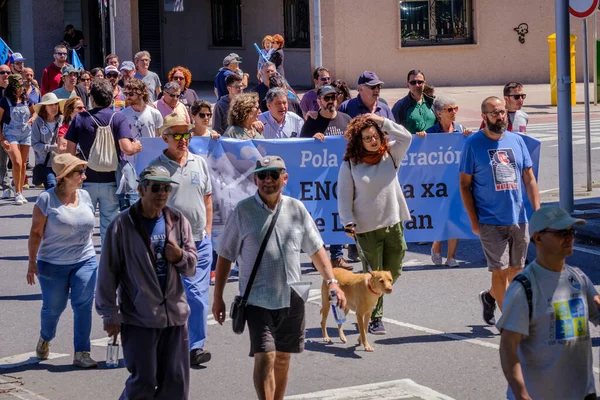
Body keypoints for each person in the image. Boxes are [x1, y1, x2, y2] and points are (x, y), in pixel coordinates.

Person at [212, 155, 346, 400]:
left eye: (274, 174)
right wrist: (218, 297)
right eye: (262, 175)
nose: (268, 180)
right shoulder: (243, 211)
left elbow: (316, 249)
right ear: (255, 179)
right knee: (266, 356)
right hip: (257, 298)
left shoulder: (297, 208)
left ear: (284, 178)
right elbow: (225, 256)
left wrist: (333, 282)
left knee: (283, 357)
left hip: (293, 294)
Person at [95, 165, 198, 399]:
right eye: (155, 188)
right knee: (143, 383)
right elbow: (107, 273)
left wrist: (180, 256)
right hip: (140, 317)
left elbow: (192, 267)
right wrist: (110, 315)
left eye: (166, 188)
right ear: (141, 190)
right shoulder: (122, 225)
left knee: (175, 383)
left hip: (175, 317)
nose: (162, 193)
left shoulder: (177, 220)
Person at [497, 206, 598, 400]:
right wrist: (521, 393)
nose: (569, 237)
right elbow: (508, 347)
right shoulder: (525, 287)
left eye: (571, 232)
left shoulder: (578, 278)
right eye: (561, 232)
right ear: (538, 238)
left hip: (584, 394)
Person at [459, 96, 540, 326]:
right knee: (500, 272)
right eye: (495, 113)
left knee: (516, 271)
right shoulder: (473, 144)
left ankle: (489, 297)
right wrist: (474, 220)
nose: (500, 116)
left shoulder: (516, 141)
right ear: (484, 116)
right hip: (489, 219)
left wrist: (539, 211)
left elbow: (529, 178)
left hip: (518, 217)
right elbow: (464, 185)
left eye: (503, 112)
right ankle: (511, 322)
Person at [338, 114, 412, 334]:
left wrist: (381, 121)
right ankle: (375, 317)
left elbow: (406, 137)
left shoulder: (390, 154)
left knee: (394, 269)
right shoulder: (351, 164)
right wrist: (347, 222)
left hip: (393, 223)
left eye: (375, 136)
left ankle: (369, 303)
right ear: (358, 142)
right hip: (366, 229)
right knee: (374, 275)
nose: (373, 141)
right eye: (367, 138)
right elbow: (343, 195)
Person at [149, 114, 214, 366]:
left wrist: (207, 231)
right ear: (164, 138)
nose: (182, 139)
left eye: (186, 134)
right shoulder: (157, 168)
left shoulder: (199, 162)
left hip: (199, 241)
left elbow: (207, 199)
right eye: (176, 135)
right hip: (169, 245)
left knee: (196, 296)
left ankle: (195, 347)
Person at [27, 153, 98, 368]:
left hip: (85, 259)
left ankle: (82, 352)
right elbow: (36, 233)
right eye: (79, 172)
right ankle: (45, 338)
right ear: (65, 176)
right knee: (53, 308)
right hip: (53, 264)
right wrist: (32, 262)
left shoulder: (84, 196)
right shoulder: (46, 200)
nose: (84, 177)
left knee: (83, 305)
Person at [65, 79, 142, 244]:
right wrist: (137, 146)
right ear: (111, 98)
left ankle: (84, 256)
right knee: (109, 224)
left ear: (92, 98)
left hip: (86, 180)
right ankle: (108, 260)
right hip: (111, 181)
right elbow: (126, 148)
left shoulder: (80, 119)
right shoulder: (118, 118)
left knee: (83, 223)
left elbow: (69, 153)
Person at [425, 95, 471, 267]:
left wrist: (468, 136)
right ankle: (436, 244)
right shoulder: (431, 133)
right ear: (439, 113)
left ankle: (451, 256)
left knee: (455, 217)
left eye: (455, 109)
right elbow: (421, 153)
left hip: (457, 182)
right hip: (437, 183)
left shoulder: (460, 130)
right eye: (449, 110)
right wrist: (421, 138)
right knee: (441, 217)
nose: (454, 113)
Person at [0, 74, 35, 205]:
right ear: (13, 86)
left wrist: (33, 118)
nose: (22, 87)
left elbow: (35, 112)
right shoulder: (5, 101)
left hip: (26, 133)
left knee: (24, 164)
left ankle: (20, 192)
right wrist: (2, 139)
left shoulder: (27, 99)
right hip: (10, 134)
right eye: (20, 85)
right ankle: (17, 192)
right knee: (17, 162)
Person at [31, 93, 65, 189]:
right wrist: (52, 147)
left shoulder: (62, 119)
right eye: (50, 105)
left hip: (62, 163)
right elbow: (35, 144)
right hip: (46, 164)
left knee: (63, 192)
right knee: (52, 188)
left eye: (56, 104)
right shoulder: (38, 122)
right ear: (44, 107)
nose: (54, 107)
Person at [391, 69, 436, 136]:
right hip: (411, 145)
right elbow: (392, 129)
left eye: (420, 82)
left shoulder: (432, 103)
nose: (417, 85)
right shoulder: (400, 106)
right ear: (408, 84)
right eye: (413, 82)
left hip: (432, 144)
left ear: (424, 83)